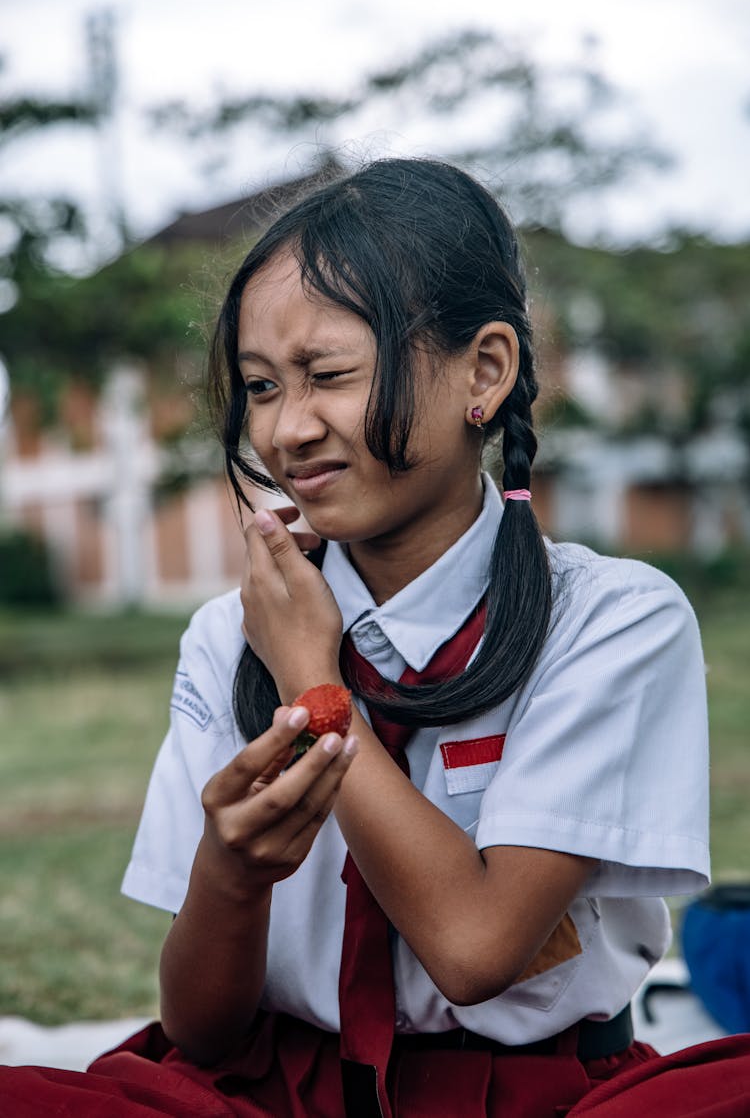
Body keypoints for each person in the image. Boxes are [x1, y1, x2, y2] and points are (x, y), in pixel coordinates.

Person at [3, 158, 750, 1116]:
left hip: (537, 1098)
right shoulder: (228, 636)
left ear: (484, 371)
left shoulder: (610, 619)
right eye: (261, 387)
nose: (287, 430)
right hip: (289, 1089)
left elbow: (476, 952)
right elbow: (199, 1031)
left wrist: (315, 683)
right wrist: (229, 876)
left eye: (328, 376)